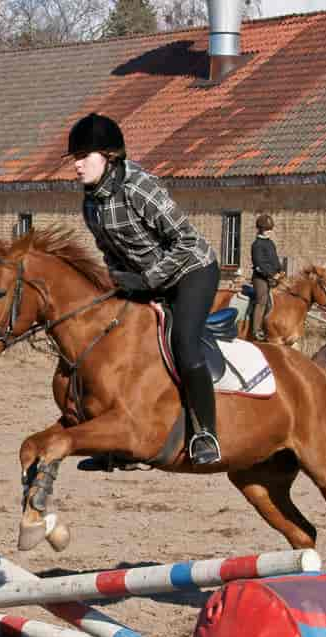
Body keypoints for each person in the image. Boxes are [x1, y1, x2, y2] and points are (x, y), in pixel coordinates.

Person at [67, 112, 222, 467]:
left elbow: (185, 240)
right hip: (145, 277)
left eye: (83, 157)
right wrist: (117, 281)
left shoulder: (139, 187)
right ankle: (123, 444)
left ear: (109, 157)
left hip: (192, 270)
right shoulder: (90, 202)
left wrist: (149, 280)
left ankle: (205, 434)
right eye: (74, 159)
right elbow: (110, 251)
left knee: (183, 343)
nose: (76, 166)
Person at [249, 213, 282, 341]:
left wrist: (280, 270)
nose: (270, 232)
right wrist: (272, 275)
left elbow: (274, 259)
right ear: (261, 229)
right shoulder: (256, 244)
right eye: (267, 229)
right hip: (260, 278)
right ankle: (256, 330)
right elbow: (259, 264)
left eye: (270, 229)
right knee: (262, 300)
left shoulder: (270, 243)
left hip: (274, 276)